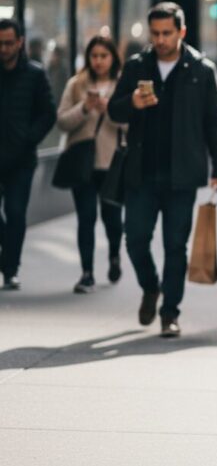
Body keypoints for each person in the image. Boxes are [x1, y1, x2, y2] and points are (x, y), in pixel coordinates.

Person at [108, 2, 217, 338]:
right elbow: (113, 111)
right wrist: (131, 103)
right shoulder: (136, 66)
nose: (160, 39)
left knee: (176, 247)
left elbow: (215, 122)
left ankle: (169, 313)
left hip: (182, 175)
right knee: (135, 241)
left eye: (167, 33)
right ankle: (150, 286)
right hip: (141, 173)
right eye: (155, 33)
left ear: (181, 32)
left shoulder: (202, 70)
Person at [55, 35, 127, 293]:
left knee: (112, 219)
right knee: (86, 218)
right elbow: (62, 121)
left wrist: (110, 109)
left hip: (111, 165)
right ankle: (86, 273)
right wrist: (84, 108)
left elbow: (131, 124)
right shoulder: (76, 84)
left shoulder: (122, 85)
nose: (98, 61)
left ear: (112, 58)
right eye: (94, 56)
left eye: (103, 56)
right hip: (82, 163)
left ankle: (114, 256)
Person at [0, 18, 57, 291]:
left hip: (21, 160)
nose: (3, 49)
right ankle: (6, 259)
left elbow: (48, 113)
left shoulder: (35, 74)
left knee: (15, 212)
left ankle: (11, 269)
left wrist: (29, 138)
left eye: (9, 43)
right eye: (0, 44)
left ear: (20, 42)